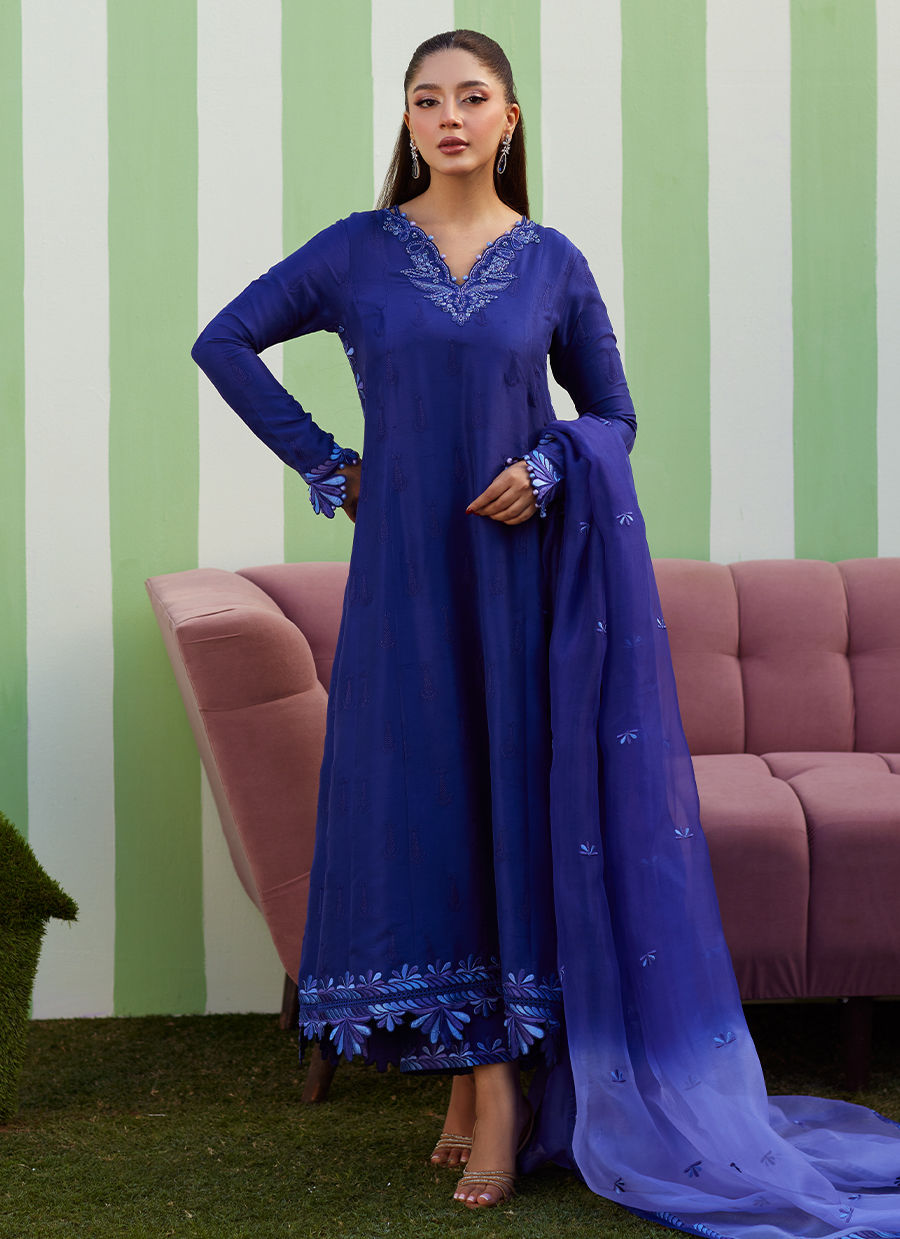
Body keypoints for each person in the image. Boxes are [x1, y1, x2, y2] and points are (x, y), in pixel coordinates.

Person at [193, 28, 900, 1238]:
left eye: (472, 97)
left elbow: (613, 415)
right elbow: (223, 341)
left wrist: (548, 467)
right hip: (405, 584)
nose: (449, 117)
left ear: (509, 119)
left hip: (521, 583)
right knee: (431, 805)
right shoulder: (358, 252)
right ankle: (480, 1081)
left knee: (511, 808)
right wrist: (331, 466)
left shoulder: (551, 264)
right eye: (427, 99)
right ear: (408, 121)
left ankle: (498, 1094)